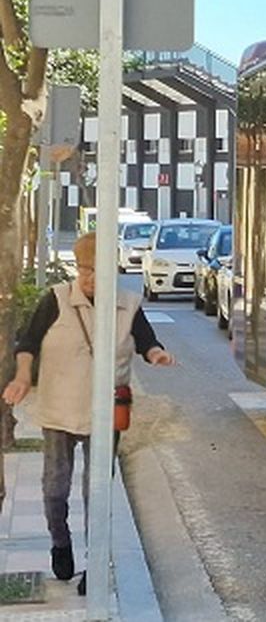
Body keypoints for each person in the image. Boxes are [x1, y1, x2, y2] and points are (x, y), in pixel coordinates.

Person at [2, 233, 175, 594]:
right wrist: (21, 377)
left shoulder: (128, 304)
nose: (88, 277)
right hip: (59, 409)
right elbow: (28, 342)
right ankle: (60, 544)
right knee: (54, 489)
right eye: (82, 268)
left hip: (105, 412)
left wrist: (157, 354)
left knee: (95, 492)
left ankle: (93, 566)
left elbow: (147, 341)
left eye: (96, 270)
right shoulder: (56, 300)